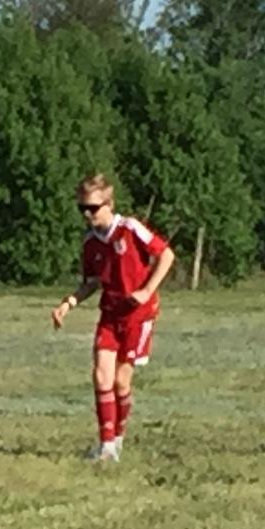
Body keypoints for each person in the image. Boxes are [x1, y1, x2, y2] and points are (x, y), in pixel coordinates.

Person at [51, 173, 176, 462]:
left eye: (93, 208)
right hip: (110, 313)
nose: (87, 214)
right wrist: (68, 304)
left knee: (121, 381)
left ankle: (118, 437)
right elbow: (92, 282)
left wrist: (146, 291)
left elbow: (166, 255)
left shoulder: (130, 229)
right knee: (100, 374)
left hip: (138, 315)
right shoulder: (90, 243)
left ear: (109, 204)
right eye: (82, 208)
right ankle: (106, 446)